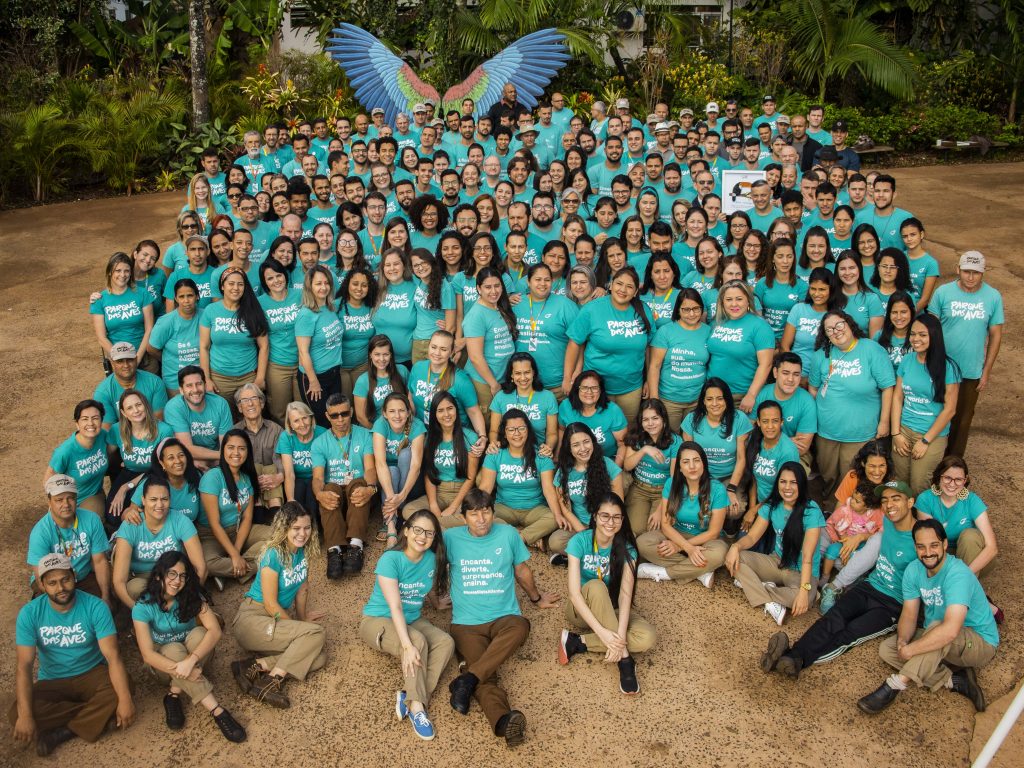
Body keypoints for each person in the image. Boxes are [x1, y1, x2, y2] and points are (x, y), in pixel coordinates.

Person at [761, 479, 919, 679]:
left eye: (896, 499)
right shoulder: (887, 520)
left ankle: (794, 658)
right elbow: (873, 536)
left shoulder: (921, 537)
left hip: (892, 604)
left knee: (850, 634)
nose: (889, 505)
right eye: (886, 500)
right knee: (833, 618)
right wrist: (862, 537)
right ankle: (794, 658)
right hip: (869, 587)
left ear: (911, 503)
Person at [444, 488, 557, 747]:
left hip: (505, 618)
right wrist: (433, 599)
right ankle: (504, 722)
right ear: (464, 518)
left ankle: (467, 679)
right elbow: (427, 567)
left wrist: (536, 598)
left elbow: (522, 570)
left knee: (520, 627)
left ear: (493, 512)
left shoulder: (507, 535)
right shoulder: (451, 538)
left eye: (486, 512)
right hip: (466, 625)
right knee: (487, 674)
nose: (481, 519)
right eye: (474, 514)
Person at [857, 518, 998, 714]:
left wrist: (912, 650)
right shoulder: (914, 570)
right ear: (915, 547)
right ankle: (954, 680)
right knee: (888, 649)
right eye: (921, 547)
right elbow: (909, 614)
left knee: (938, 629)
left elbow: (950, 631)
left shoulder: (958, 574)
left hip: (978, 643)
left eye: (934, 545)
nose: (928, 552)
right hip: (943, 638)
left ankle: (894, 685)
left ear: (945, 544)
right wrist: (903, 642)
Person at [12, 552, 134, 757]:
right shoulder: (29, 613)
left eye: (65, 579)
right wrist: (25, 716)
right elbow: (23, 667)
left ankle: (63, 732)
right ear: (42, 585)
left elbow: (113, 657)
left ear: (74, 576)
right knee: (18, 712)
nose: (60, 588)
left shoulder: (96, 606)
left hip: (92, 673)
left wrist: (125, 700)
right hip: (52, 679)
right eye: (52, 583)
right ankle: (95, 716)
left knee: (123, 689)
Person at [360, 510, 454, 741]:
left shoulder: (431, 559)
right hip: (378, 621)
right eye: (418, 530)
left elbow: (428, 584)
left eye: (429, 533)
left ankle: (411, 696)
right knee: (417, 642)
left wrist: (436, 602)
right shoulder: (390, 560)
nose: (422, 537)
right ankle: (417, 710)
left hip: (412, 618)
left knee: (445, 642)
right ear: (406, 531)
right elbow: (395, 607)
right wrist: (407, 645)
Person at [132, 552, 246, 741]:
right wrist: (184, 668)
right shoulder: (142, 606)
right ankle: (218, 711)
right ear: (159, 575)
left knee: (200, 634)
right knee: (173, 649)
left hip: (191, 659)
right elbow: (148, 655)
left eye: (182, 576)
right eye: (172, 574)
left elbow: (215, 630)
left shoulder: (190, 594)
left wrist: (190, 663)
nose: (177, 581)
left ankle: (173, 694)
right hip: (164, 666)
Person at [231, 502, 327, 709]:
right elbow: (270, 603)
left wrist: (302, 620)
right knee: (315, 635)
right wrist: (298, 628)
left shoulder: (303, 551)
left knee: (318, 658)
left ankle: (255, 666)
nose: (303, 534)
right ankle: (272, 681)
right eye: (296, 528)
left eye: (307, 527)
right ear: (284, 528)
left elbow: (303, 589)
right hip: (253, 619)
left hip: (272, 620)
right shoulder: (273, 554)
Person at [557, 492, 654, 693]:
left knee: (647, 637)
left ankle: (577, 642)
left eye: (616, 517)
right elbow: (574, 594)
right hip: (580, 610)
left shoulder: (628, 549)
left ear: (622, 520)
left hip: (610, 608)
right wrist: (605, 635)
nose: (610, 522)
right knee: (596, 585)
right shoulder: (579, 542)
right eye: (605, 516)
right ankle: (625, 661)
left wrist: (617, 636)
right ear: (595, 516)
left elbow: (625, 596)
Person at [725, 462, 826, 626]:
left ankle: (755, 587)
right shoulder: (772, 505)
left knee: (805, 598)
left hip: (801, 572)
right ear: (777, 483)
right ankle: (770, 599)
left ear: (801, 484)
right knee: (735, 558)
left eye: (793, 482)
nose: (788, 487)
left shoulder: (811, 511)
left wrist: (803, 591)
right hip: (776, 561)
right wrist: (734, 547)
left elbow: (807, 557)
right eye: (783, 482)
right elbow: (751, 538)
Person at [808, 310, 895, 498]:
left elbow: (888, 387)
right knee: (828, 476)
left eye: (839, 324)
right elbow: (813, 389)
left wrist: (884, 422)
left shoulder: (871, 349)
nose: (836, 331)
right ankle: (830, 513)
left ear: (849, 324)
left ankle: (852, 520)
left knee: (853, 479)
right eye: (829, 329)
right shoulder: (820, 356)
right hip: (826, 431)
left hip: (860, 432)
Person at [927, 251, 1003, 458]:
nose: (971, 277)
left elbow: (996, 335)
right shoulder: (943, 293)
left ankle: (952, 465)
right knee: (934, 414)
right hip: (940, 367)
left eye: (976, 273)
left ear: (983, 273)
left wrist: (986, 371)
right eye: (967, 271)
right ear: (957, 269)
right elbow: (930, 328)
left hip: (970, 370)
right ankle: (930, 459)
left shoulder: (993, 296)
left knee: (962, 420)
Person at [564, 267, 653, 423]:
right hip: (594, 388)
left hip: (631, 387)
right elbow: (574, 343)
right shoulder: (592, 309)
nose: (623, 290)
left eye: (630, 286)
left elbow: (649, 347)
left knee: (626, 433)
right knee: (595, 432)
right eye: (619, 284)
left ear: (635, 292)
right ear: (610, 285)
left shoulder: (644, 310)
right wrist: (567, 378)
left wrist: (648, 380)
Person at [636, 442, 728, 587]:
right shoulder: (671, 484)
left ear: (704, 463)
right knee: (642, 543)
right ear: (680, 467)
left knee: (719, 554)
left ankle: (664, 573)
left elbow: (713, 533)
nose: (692, 466)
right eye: (686, 462)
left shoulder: (717, 489)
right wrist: (687, 547)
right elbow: (666, 525)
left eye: (696, 460)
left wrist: (680, 547)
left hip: (704, 539)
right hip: (677, 533)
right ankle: (700, 572)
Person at [890, 313, 961, 494]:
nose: (916, 339)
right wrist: (895, 432)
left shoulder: (948, 367)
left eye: (922, 334)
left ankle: (920, 521)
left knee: (919, 485)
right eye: (913, 334)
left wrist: (925, 440)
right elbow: (898, 397)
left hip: (931, 435)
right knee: (900, 483)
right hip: (904, 430)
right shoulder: (907, 360)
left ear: (934, 335)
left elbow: (950, 409)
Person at [311, 393, 379, 578]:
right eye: (334, 415)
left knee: (358, 484)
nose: (340, 419)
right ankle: (334, 550)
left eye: (344, 414)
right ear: (327, 416)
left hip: (357, 489)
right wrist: (319, 494)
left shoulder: (364, 435)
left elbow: (370, 468)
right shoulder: (319, 443)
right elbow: (317, 478)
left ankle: (356, 546)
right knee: (328, 489)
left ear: (351, 412)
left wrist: (370, 488)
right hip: (336, 492)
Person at [112, 475, 204, 608]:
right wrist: (137, 612)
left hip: (174, 576)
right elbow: (119, 581)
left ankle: (176, 611)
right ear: (143, 500)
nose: (159, 505)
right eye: (153, 499)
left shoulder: (181, 521)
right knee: (134, 588)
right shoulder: (130, 525)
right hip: (141, 578)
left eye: (164, 499)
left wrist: (189, 593)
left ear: (170, 500)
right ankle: (156, 617)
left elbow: (200, 567)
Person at [477, 409, 561, 549]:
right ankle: (532, 538)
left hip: (534, 508)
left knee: (554, 518)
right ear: (504, 432)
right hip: (504, 507)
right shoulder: (495, 454)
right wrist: (476, 510)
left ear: (528, 430)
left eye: (521, 428)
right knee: (485, 517)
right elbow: (485, 487)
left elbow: (548, 489)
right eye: (511, 429)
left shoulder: (541, 455)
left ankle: (519, 537)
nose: (517, 433)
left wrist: (558, 515)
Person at [197, 429, 271, 586]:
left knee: (278, 537)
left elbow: (247, 518)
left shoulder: (246, 477)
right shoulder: (212, 477)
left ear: (247, 452)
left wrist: (236, 552)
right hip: (211, 535)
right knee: (207, 563)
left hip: (237, 531)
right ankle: (244, 567)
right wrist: (234, 555)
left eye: (241, 448)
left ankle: (232, 570)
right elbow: (214, 523)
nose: (236, 453)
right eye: (231, 447)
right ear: (223, 449)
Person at [682, 378, 752, 533]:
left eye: (720, 398)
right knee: (700, 509)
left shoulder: (739, 419)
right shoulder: (692, 420)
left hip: (729, 476)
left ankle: (728, 533)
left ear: (727, 400)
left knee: (735, 509)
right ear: (703, 402)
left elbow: (741, 459)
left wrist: (732, 489)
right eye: (710, 399)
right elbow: (686, 456)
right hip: (701, 476)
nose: (715, 403)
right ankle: (705, 535)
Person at [404, 392, 483, 528]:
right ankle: (445, 525)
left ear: (456, 410)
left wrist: (453, 507)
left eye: (450, 408)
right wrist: (433, 505)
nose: (446, 414)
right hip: (439, 492)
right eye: (440, 410)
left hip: (462, 493)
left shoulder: (469, 437)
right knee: (408, 510)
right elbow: (429, 474)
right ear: (434, 414)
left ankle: (428, 526)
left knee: (472, 515)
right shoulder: (429, 439)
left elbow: (471, 478)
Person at [27, 475, 111, 602]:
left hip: (83, 577)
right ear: (49, 501)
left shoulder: (92, 520)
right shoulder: (40, 532)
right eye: (59, 500)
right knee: (52, 615)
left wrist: (106, 596)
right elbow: (40, 577)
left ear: (77, 499)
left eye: (70, 498)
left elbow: (100, 561)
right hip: (52, 581)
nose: (66, 504)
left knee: (105, 607)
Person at [199, 267, 269, 418]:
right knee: (224, 419)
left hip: (248, 377)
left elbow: (264, 346)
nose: (235, 288)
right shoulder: (210, 311)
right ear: (222, 286)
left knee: (252, 418)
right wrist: (207, 379)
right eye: (231, 284)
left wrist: (260, 378)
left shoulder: (253, 310)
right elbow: (204, 347)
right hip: (220, 379)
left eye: (240, 284)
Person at [915, 456, 998, 584]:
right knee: (931, 543)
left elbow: (992, 548)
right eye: (947, 478)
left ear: (965, 480)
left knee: (969, 536)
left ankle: (964, 588)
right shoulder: (925, 499)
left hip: (973, 559)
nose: (952, 484)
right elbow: (930, 543)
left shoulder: (972, 501)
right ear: (939, 477)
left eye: (958, 479)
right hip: (939, 556)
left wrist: (964, 575)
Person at [646, 288, 711, 432]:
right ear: (678, 310)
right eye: (686, 309)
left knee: (693, 440)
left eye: (696, 308)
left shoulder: (708, 331)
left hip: (697, 400)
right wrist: (655, 400)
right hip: (669, 400)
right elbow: (654, 366)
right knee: (669, 439)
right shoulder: (666, 331)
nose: (692, 314)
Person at [512, 263, 580, 399]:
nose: (542, 284)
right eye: (537, 279)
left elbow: (579, 344)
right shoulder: (515, 304)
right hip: (523, 385)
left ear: (552, 281)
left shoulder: (566, 305)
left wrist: (572, 377)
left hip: (558, 386)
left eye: (547, 280)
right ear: (528, 282)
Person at [817, 478, 884, 613]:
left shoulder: (875, 514)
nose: (851, 501)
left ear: (867, 506)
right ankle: (825, 576)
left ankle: (851, 584)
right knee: (831, 552)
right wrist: (842, 541)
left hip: (862, 545)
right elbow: (833, 524)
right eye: (852, 497)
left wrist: (862, 539)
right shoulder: (844, 510)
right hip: (842, 540)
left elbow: (880, 531)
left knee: (857, 561)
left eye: (857, 501)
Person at [708, 280, 775, 414]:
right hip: (714, 394)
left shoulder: (760, 326)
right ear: (722, 302)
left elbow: (766, 364)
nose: (734, 304)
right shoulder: (716, 322)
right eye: (729, 299)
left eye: (739, 299)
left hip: (741, 396)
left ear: (748, 300)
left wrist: (751, 395)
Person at [463, 267, 519, 419]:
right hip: (485, 382)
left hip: (502, 377)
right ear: (478, 288)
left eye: (497, 285)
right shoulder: (476, 315)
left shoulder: (499, 307)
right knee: (489, 421)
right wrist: (493, 384)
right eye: (488, 287)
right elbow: (475, 357)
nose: (493, 291)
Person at [407, 330, 487, 435]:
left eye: (443, 349)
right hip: (423, 431)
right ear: (429, 346)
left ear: (451, 352)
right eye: (434, 347)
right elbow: (411, 398)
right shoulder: (418, 368)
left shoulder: (460, 379)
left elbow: (473, 412)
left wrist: (482, 436)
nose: (437, 353)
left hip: (452, 434)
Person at [623, 399, 682, 536]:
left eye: (655, 418)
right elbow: (627, 466)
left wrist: (660, 509)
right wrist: (644, 450)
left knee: (654, 531)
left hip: (663, 491)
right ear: (641, 422)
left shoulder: (675, 441)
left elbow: (674, 479)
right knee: (635, 530)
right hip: (639, 489)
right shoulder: (636, 437)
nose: (650, 423)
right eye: (646, 419)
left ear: (664, 420)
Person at [373, 392, 427, 540]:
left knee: (405, 454)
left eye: (402, 410)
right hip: (388, 482)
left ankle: (401, 509)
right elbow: (380, 463)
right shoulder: (380, 425)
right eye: (392, 411)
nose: (397, 415)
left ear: (408, 412)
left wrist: (401, 496)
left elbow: (416, 466)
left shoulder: (417, 426)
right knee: (391, 470)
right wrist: (392, 499)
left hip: (412, 483)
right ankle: (391, 524)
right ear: (384, 413)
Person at [90, 251, 154, 372]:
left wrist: (137, 358)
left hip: (144, 356)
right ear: (110, 272)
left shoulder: (142, 293)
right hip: (118, 360)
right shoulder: (100, 299)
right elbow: (101, 337)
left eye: (127, 271)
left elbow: (149, 329)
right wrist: (120, 360)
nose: (123, 275)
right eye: (118, 271)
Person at [46, 400, 111, 517]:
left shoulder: (103, 436)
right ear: (77, 423)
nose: (91, 423)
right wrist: (55, 502)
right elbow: (49, 476)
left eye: (95, 418)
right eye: (85, 419)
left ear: (101, 421)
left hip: (92, 494)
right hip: (69, 496)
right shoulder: (66, 450)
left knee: (92, 522)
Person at [258, 258, 303, 423]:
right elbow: (261, 339)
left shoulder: (300, 295)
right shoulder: (261, 303)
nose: (276, 281)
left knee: (302, 408)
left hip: (302, 362)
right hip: (277, 365)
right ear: (264, 282)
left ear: (285, 275)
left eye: (279, 275)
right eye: (270, 278)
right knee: (279, 412)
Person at [488, 352, 559, 454]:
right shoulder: (501, 397)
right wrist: (494, 444)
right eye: (517, 373)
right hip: (507, 452)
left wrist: (548, 447)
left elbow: (552, 433)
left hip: (537, 452)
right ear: (511, 375)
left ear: (533, 372)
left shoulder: (548, 397)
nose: (523, 378)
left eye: (527, 372)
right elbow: (494, 431)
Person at [164, 366, 234, 468]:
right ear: (181, 390)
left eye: (199, 384)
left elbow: (226, 444)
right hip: (191, 459)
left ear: (205, 385)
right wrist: (223, 456)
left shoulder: (220, 404)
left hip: (217, 458)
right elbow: (187, 448)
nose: (195, 390)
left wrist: (221, 459)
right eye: (189, 386)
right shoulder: (174, 407)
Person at [92, 341, 168, 428]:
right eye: (120, 361)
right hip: (121, 438)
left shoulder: (155, 382)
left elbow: (158, 419)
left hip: (153, 433)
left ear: (136, 359)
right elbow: (108, 429)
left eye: (130, 360)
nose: (126, 365)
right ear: (112, 363)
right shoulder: (103, 392)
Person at [149, 278, 202, 396]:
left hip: (201, 379)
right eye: (181, 297)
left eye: (190, 295)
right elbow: (151, 348)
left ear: (197, 296)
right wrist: (169, 360)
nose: (186, 301)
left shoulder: (205, 316)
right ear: (176, 299)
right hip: (175, 379)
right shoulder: (166, 322)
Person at [277, 401, 327, 517]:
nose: (302, 424)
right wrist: (290, 500)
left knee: (312, 496)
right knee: (297, 495)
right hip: (297, 478)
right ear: (290, 425)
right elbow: (289, 474)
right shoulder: (286, 437)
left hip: (317, 477)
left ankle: (314, 529)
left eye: (304, 418)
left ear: (311, 418)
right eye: (296, 421)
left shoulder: (322, 433)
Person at [353, 335, 410, 430]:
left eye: (385, 354)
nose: (382, 359)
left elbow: (410, 401)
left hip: (401, 426)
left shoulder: (402, 371)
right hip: (376, 429)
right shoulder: (363, 381)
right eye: (377, 354)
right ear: (370, 355)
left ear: (391, 355)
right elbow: (361, 417)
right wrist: (378, 433)